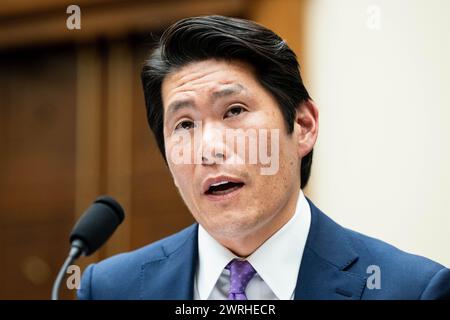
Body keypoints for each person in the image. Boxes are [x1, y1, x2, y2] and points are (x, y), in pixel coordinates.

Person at [77, 15, 450, 300]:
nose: (209, 148)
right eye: (185, 124)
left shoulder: (409, 288)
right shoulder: (110, 289)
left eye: (234, 111)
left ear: (302, 125)